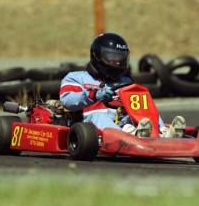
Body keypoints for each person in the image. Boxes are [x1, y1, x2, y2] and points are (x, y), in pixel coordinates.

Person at [48, 33, 186, 138]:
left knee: (145, 107)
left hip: (123, 119)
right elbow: (67, 100)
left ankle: (161, 133)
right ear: (98, 56)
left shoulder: (125, 81)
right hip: (89, 125)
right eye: (112, 58)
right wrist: (93, 94)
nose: (117, 63)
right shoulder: (77, 78)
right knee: (98, 115)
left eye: (120, 58)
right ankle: (129, 135)